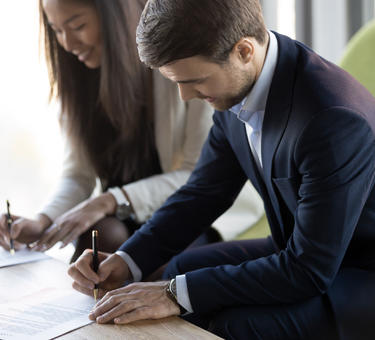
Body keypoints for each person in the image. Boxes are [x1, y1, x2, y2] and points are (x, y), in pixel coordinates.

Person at [68, 0, 375, 338]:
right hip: (306, 249)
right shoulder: (241, 82)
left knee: (229, 324)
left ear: (244, 50)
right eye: (177, 83)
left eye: (194, 80)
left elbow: (308, 270)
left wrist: (174, 294)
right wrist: (128, 259)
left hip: (358, 271)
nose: (185, 96)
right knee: (181, 268)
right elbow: (203, 193)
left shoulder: (331, 120)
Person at [0, 0, 265, 261]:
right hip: (125, 213)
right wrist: (42, 220)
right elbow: (78, 176)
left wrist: (110, 200)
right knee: (97, 240)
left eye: (77, 26)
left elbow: (198, 177)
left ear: (117, 15)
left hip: (194, 210)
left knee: (170, 260)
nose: (67, 44)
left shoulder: (182, 69)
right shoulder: (77, 81)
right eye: (56, 30)